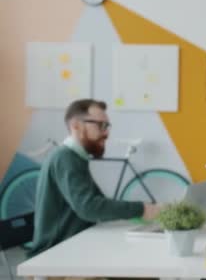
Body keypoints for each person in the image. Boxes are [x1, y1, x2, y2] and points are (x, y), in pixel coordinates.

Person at [28, 99, 162, 257]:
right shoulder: (65, 158)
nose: (106, 133)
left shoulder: (76, 157)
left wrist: (140, 214)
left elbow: (97, 203)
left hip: (73, 248)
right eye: (100, 125)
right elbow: (89, 208)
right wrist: (143, 209)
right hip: (54, 256)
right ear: (76, 126)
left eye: (107, 126)